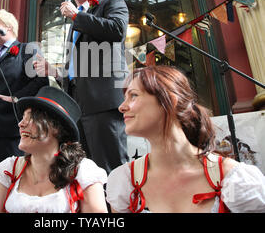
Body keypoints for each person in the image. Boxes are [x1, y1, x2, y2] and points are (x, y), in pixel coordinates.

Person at [106, 65, 265, 213]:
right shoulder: (125, 183)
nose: (122, 106)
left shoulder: (235, 180)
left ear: (169, 101)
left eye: (133, 95)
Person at [34, 0, 129, 174]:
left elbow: (117, 30)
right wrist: (56, 72)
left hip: (103, 102)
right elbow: (78, 70)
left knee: (111, 169)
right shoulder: (74, 25)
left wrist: (77, 16)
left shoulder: (111, 3)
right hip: (76, 106)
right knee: (85, 173)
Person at [0, 86, 108, 213]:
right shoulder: (8, 169)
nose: (21, 124)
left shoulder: (83, 172)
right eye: (23, 117)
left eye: (31, 118)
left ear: (56, 128)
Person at [0, 9, 49, 195]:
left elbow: (40, 81)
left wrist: (16, 99)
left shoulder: (27, 50)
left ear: (8, 27)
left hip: (8, 126)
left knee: (8, 183)